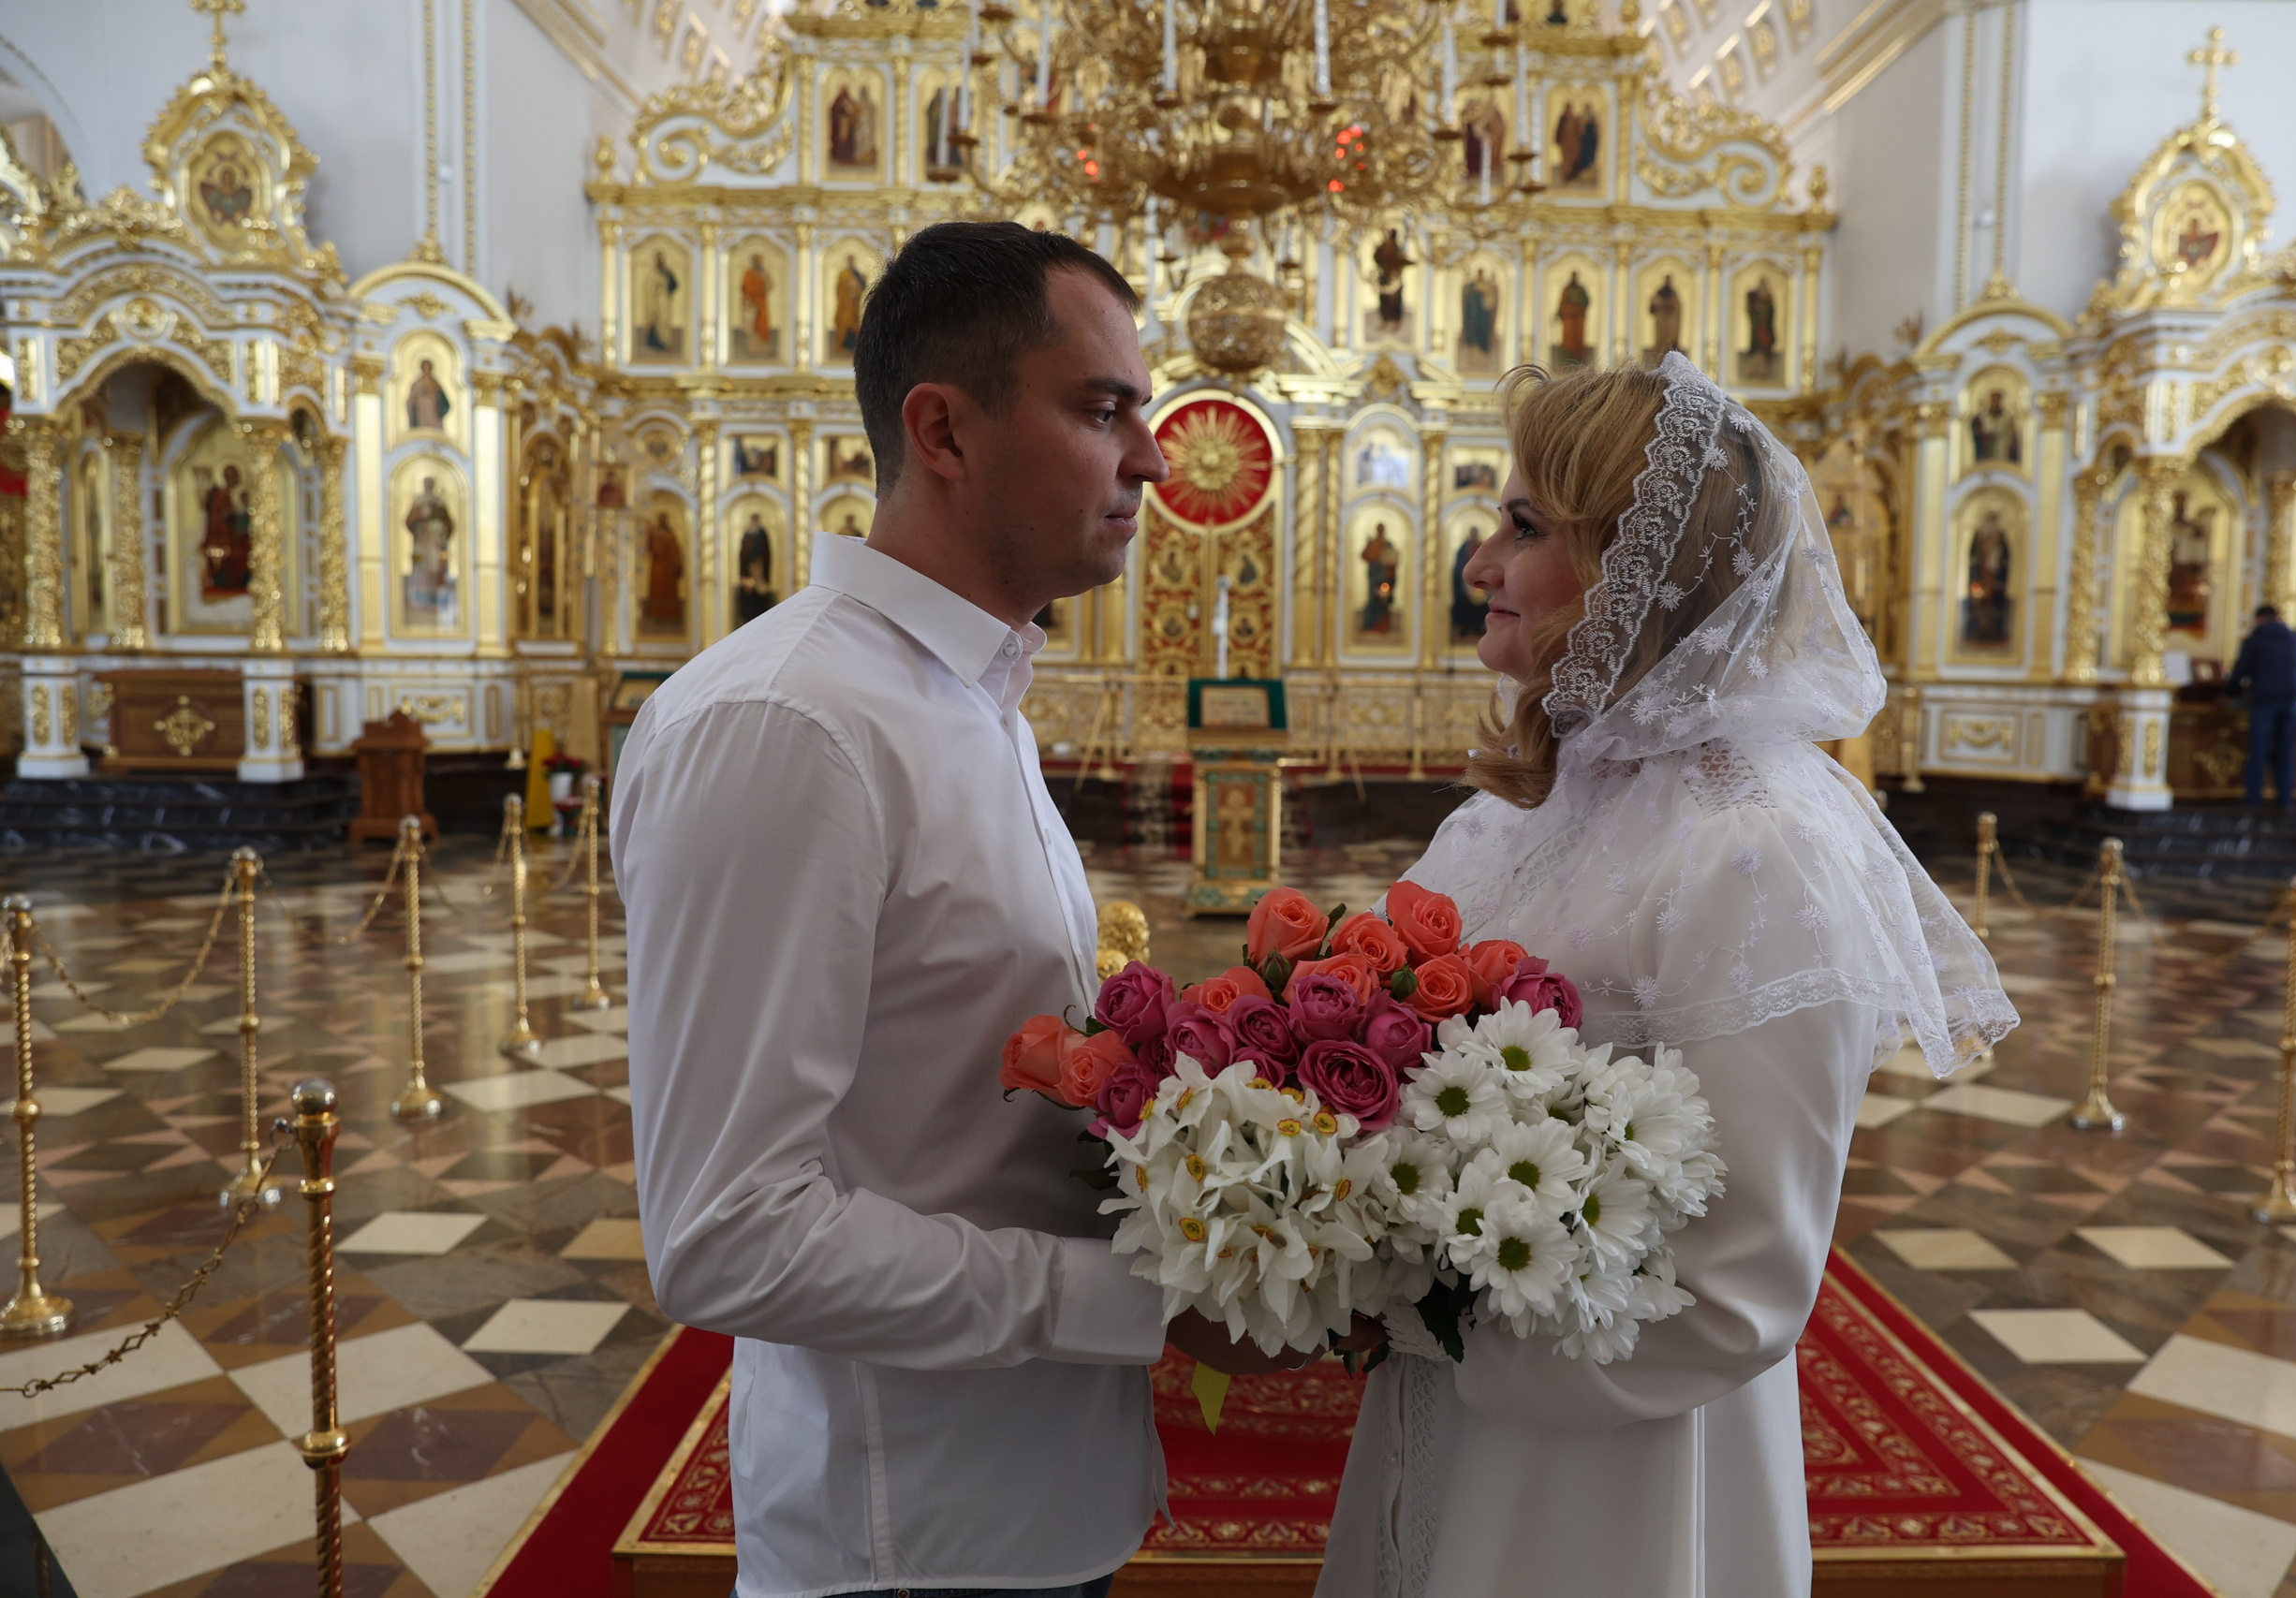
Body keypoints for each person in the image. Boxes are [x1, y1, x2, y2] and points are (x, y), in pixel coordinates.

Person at [614, 220, 1296, 1598]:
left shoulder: (960, 696)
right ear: (944, 428)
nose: (1156, 458)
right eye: (1104, 409)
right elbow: (727, 1228)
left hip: (1031, 1493)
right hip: (905, 1534)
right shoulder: (790, 725)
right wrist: (1130, 1300)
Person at [1316, 355, 2017, 1598]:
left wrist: (1425, 1320)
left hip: (1615, 1467)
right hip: (1455, 1392)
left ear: (1645, 571)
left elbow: (1737, 1286)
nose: (1479, 563)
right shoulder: (1534, 810)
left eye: (1524, 526)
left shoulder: (1755, 846)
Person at [2229, 603, 2296, 808]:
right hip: (2290, 701)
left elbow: (2241, 669)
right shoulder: (2292, 637)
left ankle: (2253, 799)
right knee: (2286, 752)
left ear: (2260, 618)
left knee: (2259, 751)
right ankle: (2286, 799)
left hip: (2264, 701)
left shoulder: (2257, 637)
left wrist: (2230, 692)